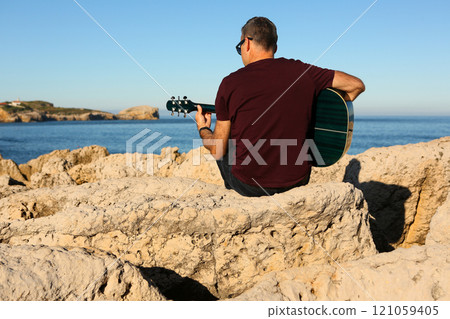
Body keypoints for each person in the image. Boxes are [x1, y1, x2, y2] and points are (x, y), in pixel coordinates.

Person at [195, 16, 365, 197]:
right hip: (298, 180)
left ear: (246, 43)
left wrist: (203, 127)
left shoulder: (230, 83)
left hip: (249, 186)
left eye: (240, 48)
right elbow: (356, 85)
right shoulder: (303, 72)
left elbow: (217, 149)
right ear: (274, 47)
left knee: (226, 144)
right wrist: (325, 109)